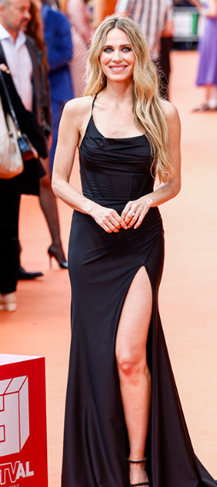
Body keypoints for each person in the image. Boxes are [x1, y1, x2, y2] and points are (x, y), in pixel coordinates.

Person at [51, 15, 217, 487]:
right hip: (91, 242)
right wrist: (93, 208)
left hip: (140, 243)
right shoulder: (78, 110)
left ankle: (138, 466)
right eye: (109, 50)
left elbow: (172, 181)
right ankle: (97, 465)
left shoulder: (162, 111)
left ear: (140, 55)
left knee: (130, 355)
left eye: (126, 49)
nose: (117, 58)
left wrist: (150, 200)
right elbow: (59, 179)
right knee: (93, 353)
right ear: (98, 56)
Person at [0, 0, 52, 308]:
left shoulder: (31, 44)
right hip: (11, 136)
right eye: (21, 8)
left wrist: (40, 130)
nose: (28, 15)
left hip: (17, 142)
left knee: (10, 212)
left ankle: (8, 283)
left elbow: (37, 88)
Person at [40, 0, 72, 269]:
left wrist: (35, 63)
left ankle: (57, 243)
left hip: (56, 96)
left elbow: (66, 52)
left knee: (49, 174)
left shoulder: (57, 18)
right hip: (27, 103)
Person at [190, 0, 217, 111]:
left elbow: (213, 12)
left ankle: (208, 100)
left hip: (211, 32)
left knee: (210, 63)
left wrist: (202, 11)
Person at [64, 0, 92, 98]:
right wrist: (94, 40)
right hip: (78, 44)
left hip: (81, 42)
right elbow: (82, 28)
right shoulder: (75, 2)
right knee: (81, 81)